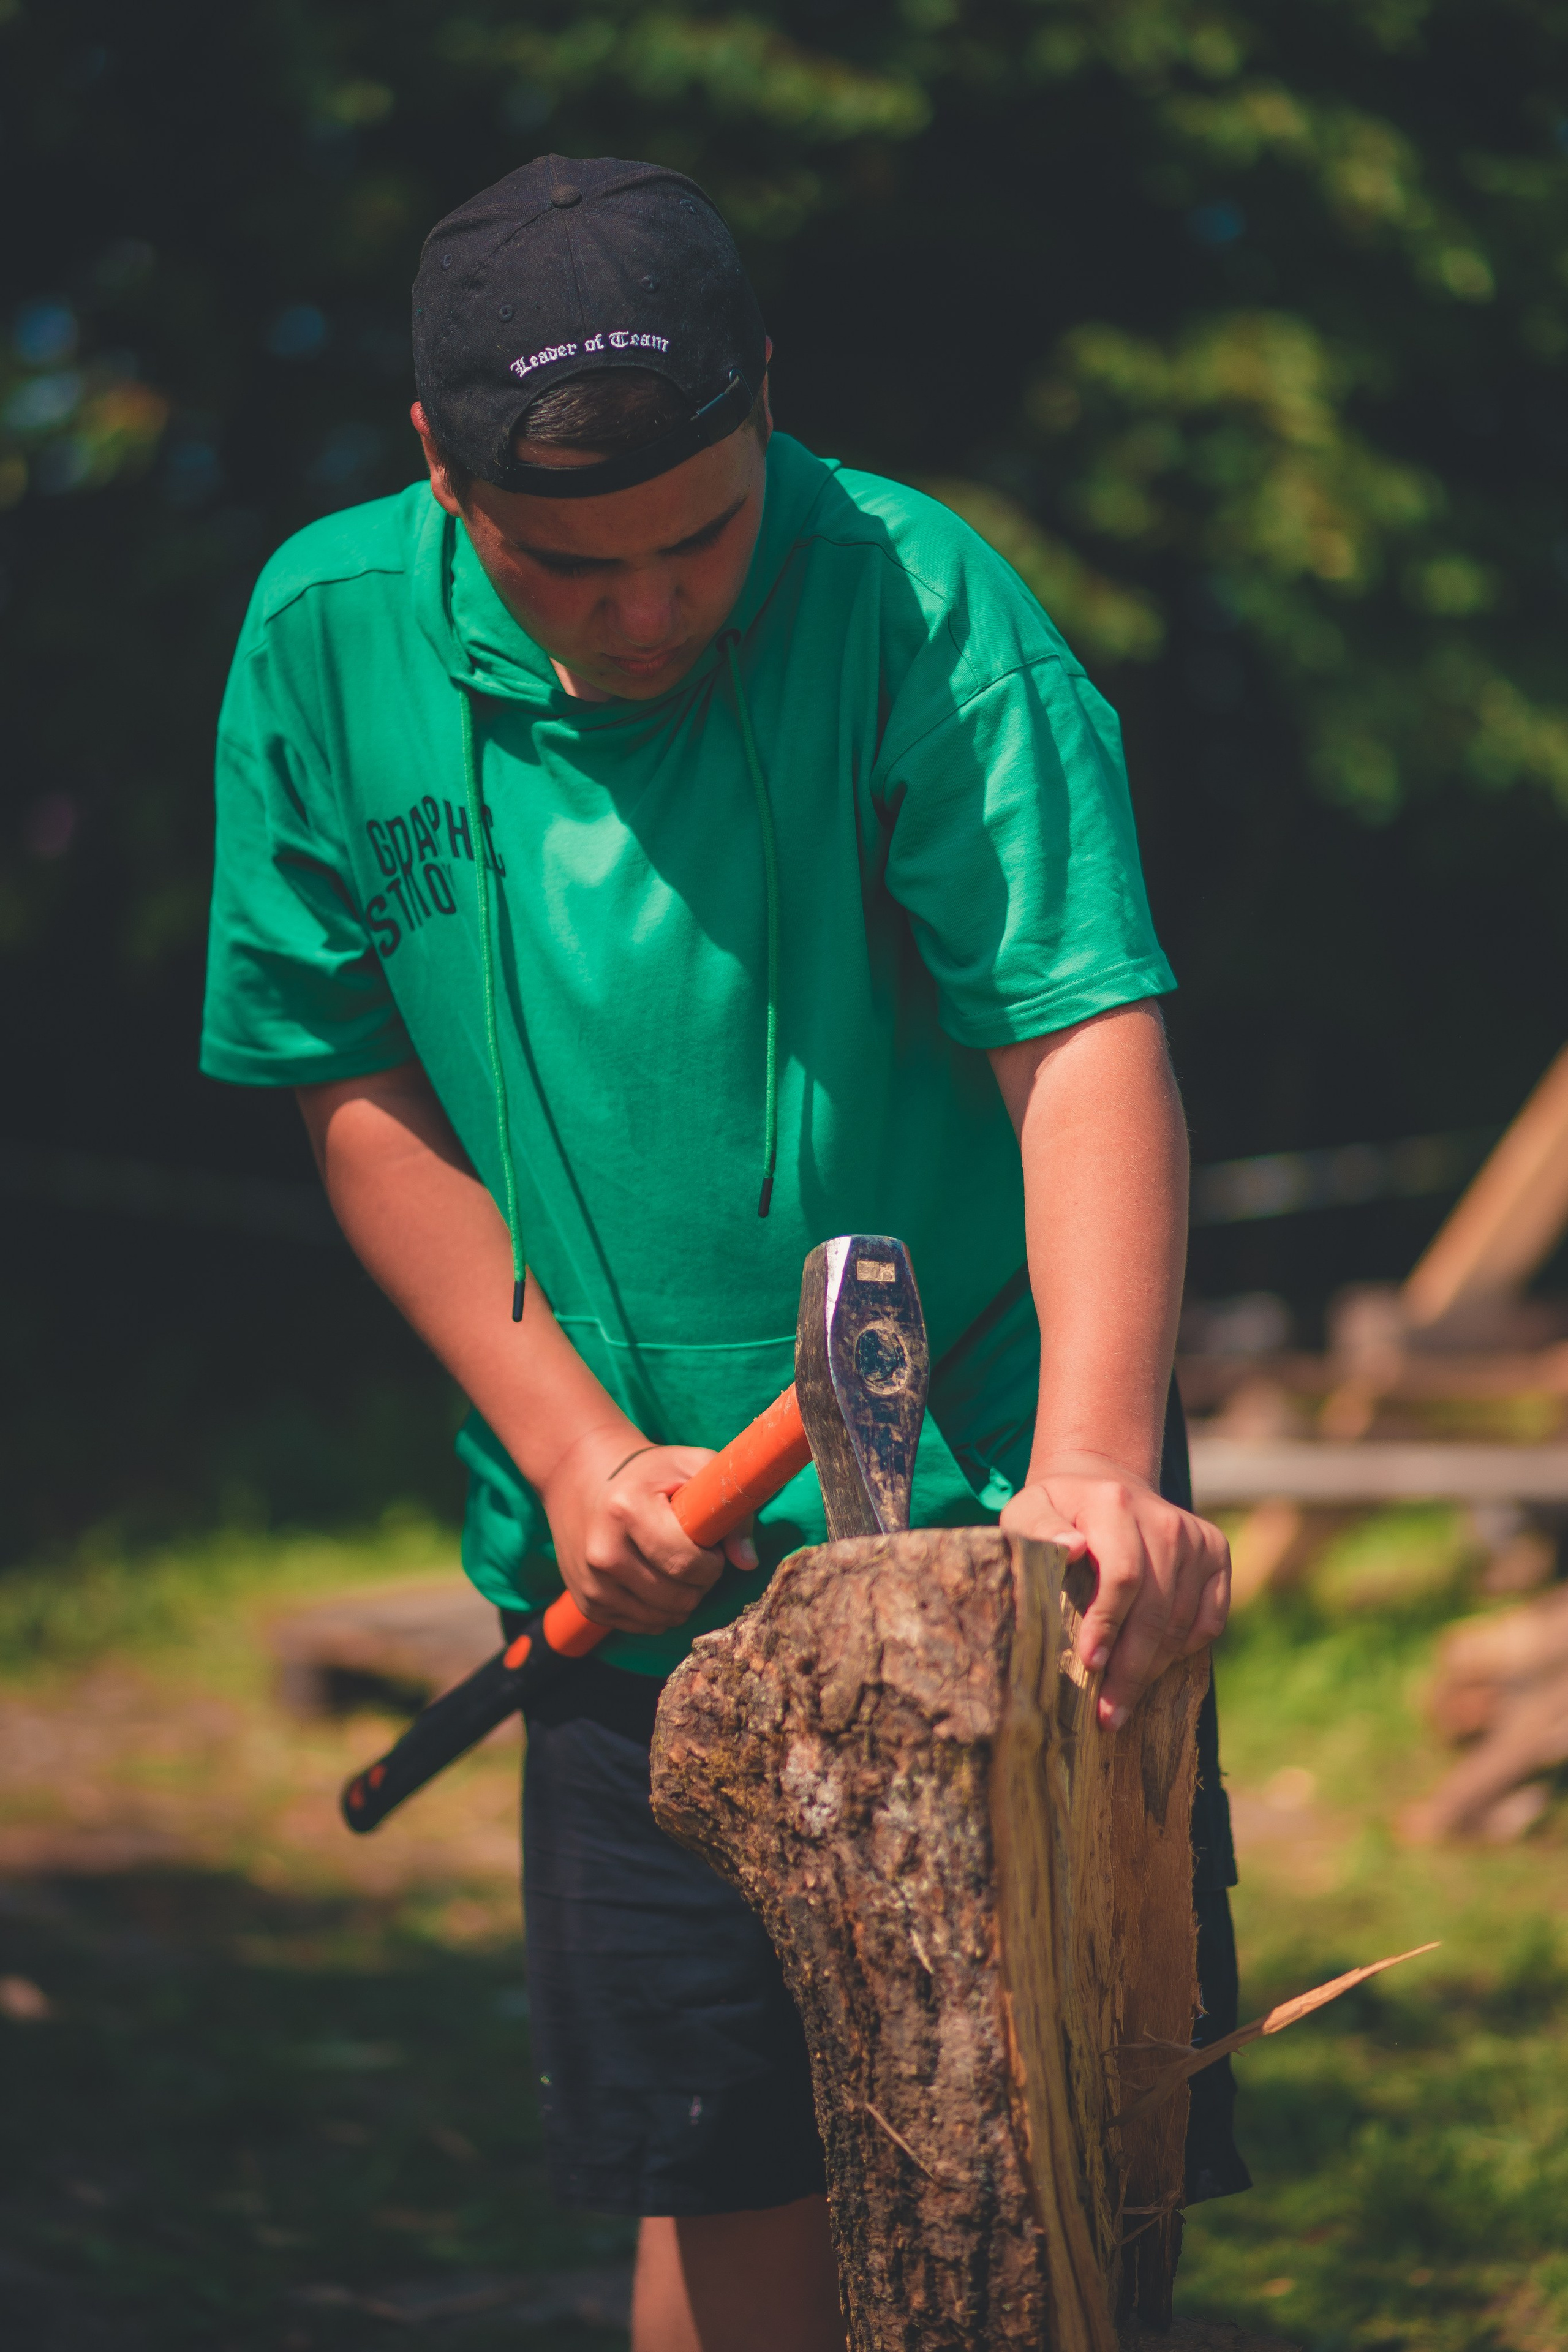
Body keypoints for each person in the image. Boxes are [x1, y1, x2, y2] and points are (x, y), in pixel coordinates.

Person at [201, 153, 1243, 2352]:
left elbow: (1077, 1026)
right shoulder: (322, 646)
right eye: (573, 563)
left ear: (772, 399)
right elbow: (348, 1087)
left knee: (1042, 2204)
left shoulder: (918, 603)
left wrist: (1097, 1458)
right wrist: (572, 1449)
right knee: (722, 2180)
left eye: (703, 534)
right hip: (616, 1590)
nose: (651, 609)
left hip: (997, 1559)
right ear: (436, 470)